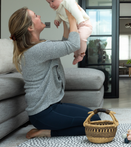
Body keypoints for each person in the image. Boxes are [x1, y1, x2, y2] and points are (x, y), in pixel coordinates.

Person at [9, 7, 100, 139]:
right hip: (44, 114)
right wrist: (71, 17)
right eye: (35, 16)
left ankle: (49, 128)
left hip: (49, 110)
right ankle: (48, 132)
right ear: (30, 27)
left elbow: (64, 45)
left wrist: (64, 21)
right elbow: (72, 45)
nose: (39, 16)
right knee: (95, 122)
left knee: (94, 115)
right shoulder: (38, 50)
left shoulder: (38, 47)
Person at [46, 0, 93, 65]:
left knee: (81, 37)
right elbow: (59, 14)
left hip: (84, 24)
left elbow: (75, 11)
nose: (51, 4)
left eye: (52, 1)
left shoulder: (68, 2)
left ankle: (81, 55)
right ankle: (76, 55)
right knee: (73, 41)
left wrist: (80, 20)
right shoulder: (58, 8)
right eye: (49, 3)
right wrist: (57, 20)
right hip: (75, 26)